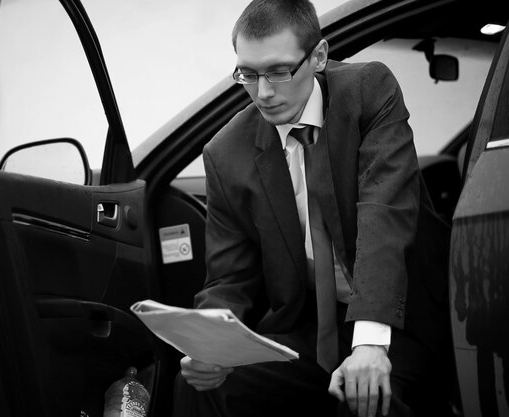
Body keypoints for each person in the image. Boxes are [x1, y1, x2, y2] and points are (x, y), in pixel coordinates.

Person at [172, 0, 454, 416]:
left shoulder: (369, 91)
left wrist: (371, 343)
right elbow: (229, 277)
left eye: (280, 71)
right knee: (197, 388)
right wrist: (207, 347)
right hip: (309, 330)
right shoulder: (225, 152)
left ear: (319, 56)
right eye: (247, 74)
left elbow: (384, 214)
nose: (263, 92)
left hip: (398, 321)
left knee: (366, 401)